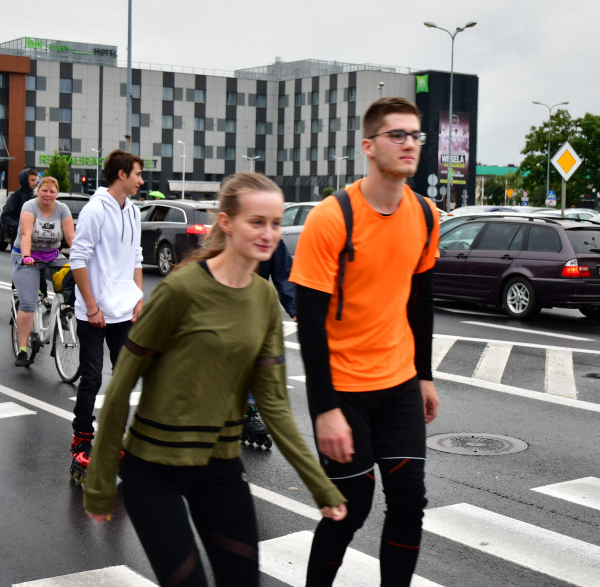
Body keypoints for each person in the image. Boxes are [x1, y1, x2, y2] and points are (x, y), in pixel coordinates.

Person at [83, 172, 347, 587]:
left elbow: (275, 404)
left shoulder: (265, 300)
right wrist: (99, 483)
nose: (268, 233)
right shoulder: (181, 290)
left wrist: (320, 487)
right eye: (256, 222)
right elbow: (120, 387)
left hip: (219, 465)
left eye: (276, 223)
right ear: (226, 222)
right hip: (153, 469)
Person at [290, 97, 441, 586]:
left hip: (398, 384)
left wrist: (424, 375)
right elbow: (309, 322)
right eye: (396, 135)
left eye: (414, 135)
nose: (408, 144)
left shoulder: (426, 215)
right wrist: (324, 408)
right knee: (350, 507)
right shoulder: (332, 218)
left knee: (408, 499)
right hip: (343, 388)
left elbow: (420, 301)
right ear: (369, 146)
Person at [68, 150, 144, 483]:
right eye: (138, 174)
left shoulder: (135, 212)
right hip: (94, 313)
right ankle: (81, 440)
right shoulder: (95, 210)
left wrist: (138, 297)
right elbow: (78, 260)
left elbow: (137, 257)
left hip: (124, 311)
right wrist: (92, 306)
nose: (142, 181)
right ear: (122, 175)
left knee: (124, 379)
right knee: (93, 378)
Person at [11, 176, 75, 367]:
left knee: (74, 278)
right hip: (27, 256)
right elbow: (26, 234)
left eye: (52, 191)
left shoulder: (62, 209)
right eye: (44, 190)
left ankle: (64, 314)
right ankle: (22, 350)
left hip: (52, 256)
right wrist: (26, 256)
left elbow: (72, 238)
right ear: (38, 191)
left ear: (57, 193)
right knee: (29, 304)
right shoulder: (30, 207)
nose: (48, 195)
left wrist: (83, 259)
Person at [242, 238, 297, 448]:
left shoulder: (271, 239)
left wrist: (295, 308)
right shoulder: (225, 236)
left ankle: (248, 411)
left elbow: (284, 275)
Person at [0, 167, 39, 245]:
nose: (35, 183)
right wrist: (19, 226)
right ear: (25, 180)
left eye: (36, 180)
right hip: (19, 237)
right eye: (32, 180)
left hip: (34, 237)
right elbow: (5, 216)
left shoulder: (34, 195)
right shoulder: (16, 195)